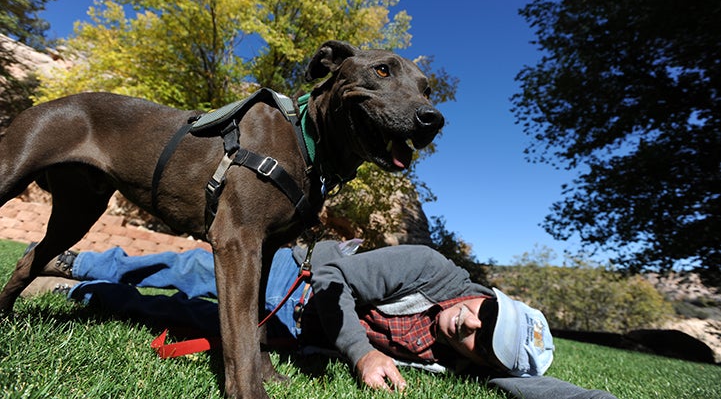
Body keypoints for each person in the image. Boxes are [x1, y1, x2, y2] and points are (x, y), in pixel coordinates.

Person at [26, 241, 618, 399]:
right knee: (189, 273)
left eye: (484, 341)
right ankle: (79, 263)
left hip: (293, 336)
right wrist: (364, 353)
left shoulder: (469, 360)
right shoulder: (430, 268)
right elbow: (335, 282)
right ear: (490, 296)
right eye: (486, 313)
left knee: (180, 317)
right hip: (297, 278)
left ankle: (95, 298)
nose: (471, 325)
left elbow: (526, 383)